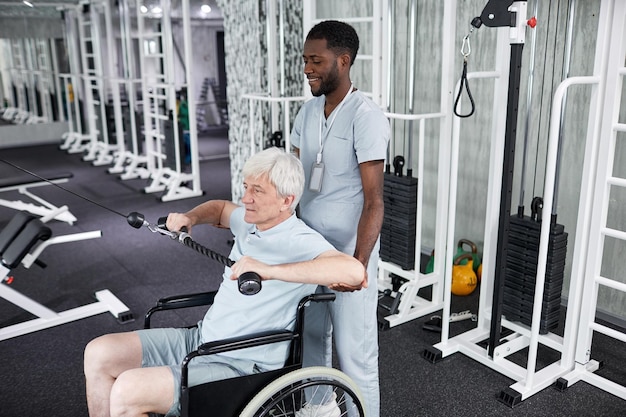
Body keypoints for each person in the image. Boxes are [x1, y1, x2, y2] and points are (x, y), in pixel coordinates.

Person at [83, 147, 366, 417]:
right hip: (202, 340)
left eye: (257, 191)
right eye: (246, 187)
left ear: (287, 200)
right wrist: (190, 217)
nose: (246, 198)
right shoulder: (250, 220)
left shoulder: (299, 239)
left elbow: (353, 272)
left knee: (127, 391)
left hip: (239, 364)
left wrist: (270, 270)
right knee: (98, 353)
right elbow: (219, 209)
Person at [290, 20, 390, 417]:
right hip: (310, 249)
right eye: (305, 60)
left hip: (348, 251)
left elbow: (374, 201)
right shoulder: (307, 112)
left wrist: (358, 267)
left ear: (343, 61)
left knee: (355, 354)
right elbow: (295, 181)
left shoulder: (365, 117)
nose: (307, 69)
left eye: (316, 60)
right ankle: (317, 410)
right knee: (312, 338)